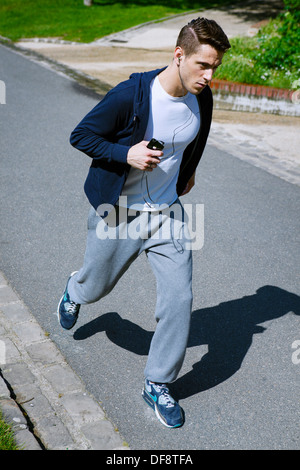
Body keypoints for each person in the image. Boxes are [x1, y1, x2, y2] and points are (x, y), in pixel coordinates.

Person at [57, 17, 231, 428]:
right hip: (118, 211)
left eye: (215, 68)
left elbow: (196, 135)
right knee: (97, 286)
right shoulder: (132, 95)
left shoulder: (201, 96)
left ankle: (157, 383)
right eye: (203, 65)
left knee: (179, 299)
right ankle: (75, 288)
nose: (209, 76)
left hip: (167, 214)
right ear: (178, 55)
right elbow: (81, 135)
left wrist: (188, 171)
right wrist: (126, 155)